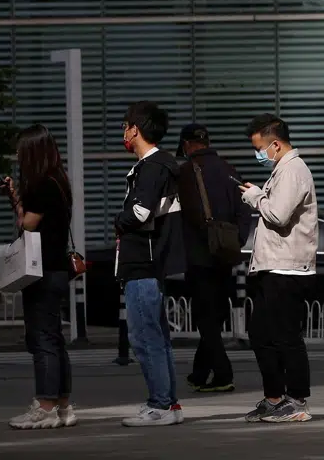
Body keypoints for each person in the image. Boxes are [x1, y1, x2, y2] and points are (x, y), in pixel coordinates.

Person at [240, 114, 319, 423]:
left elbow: (278, 214)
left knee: (285, 336)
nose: (258, 154)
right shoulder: (282, 170)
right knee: (261, 333)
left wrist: (255, 196)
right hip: (273, 266)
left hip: (288, 269)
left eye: (260, 148)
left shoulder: (293, 170)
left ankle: (297, 400)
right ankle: (275, 397)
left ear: (275, 144)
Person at [114, 101, 186, 427]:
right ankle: (168, 404)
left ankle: (160, 405)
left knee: (144, 337)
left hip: (143, 263)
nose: (123, 131)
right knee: (156, 337)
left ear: (136, 129)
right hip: (151, 263)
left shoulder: (152, 166)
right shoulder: (161, 165)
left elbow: (139, 214)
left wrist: (119, 220)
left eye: (126, 125)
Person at [0, 126, 77, 430]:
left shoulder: (41, 185)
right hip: (57, 269)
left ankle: (44, 407)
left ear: (31, 152)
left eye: (21, 151)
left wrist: (14, 198)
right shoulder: (59, 181)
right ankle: (63, 406)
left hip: (40, 271)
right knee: (55, 339)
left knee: (42, 339)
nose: (18, 157)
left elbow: (27, 224)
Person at [176, 124, 243, 395]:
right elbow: (243, 208)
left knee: (206, 317)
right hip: (225, 253)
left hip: (199, 255)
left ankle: (223, 374)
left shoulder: (185, 173)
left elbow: (185, 215)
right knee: (216, 314)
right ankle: (200, 373)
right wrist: (234, 240)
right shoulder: (228, 169)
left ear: (186, 144)